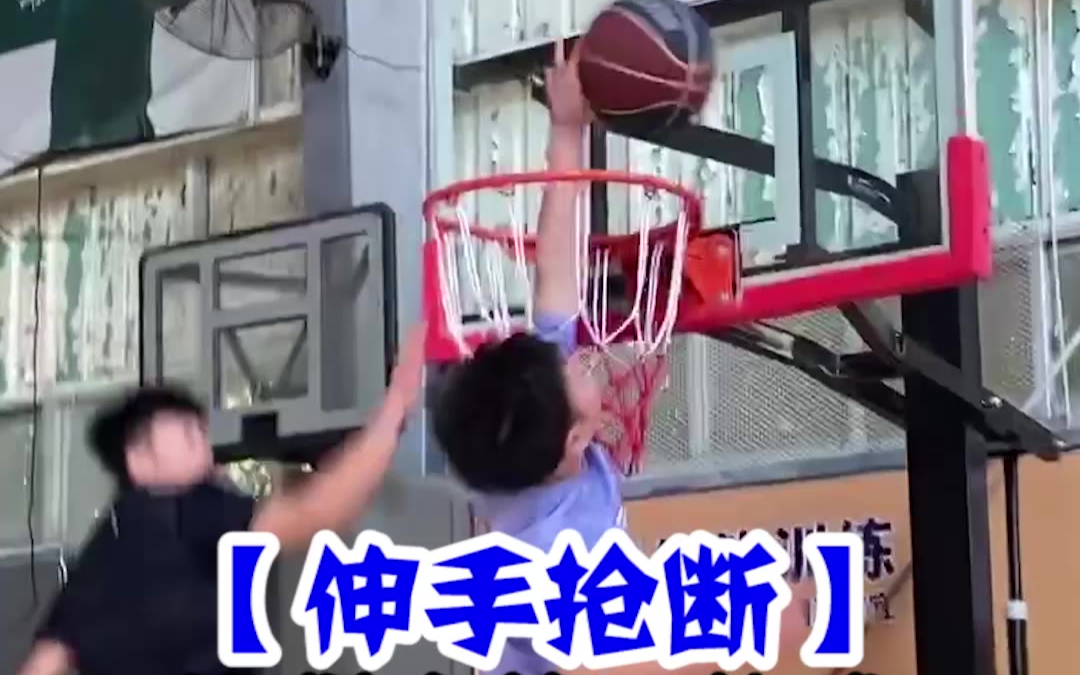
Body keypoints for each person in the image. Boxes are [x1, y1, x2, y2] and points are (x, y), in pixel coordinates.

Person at [431, 49, 812, 675]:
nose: (582, 360)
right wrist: (762, 625)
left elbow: (556, 268)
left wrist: (566, 131)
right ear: (575, 439)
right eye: (577, 374)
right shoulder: (547, 563)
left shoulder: (531, 432)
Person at [16, 323, 427, 675]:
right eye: (185, 431)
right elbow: (315, 513)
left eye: (200, 429)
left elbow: (45, 661)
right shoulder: (187, 508)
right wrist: (393, 411)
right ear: (138, 459)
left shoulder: (104, 550)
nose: (203, 437)